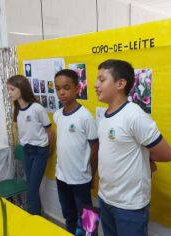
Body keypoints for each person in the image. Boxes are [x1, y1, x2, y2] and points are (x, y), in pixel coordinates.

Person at [95, 59, 171, 236]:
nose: (95, 85)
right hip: (106, 197)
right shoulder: (104, 116)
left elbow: (167, 154)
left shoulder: (134, 115)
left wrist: (146, 158)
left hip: (129, 204)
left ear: (120, 83)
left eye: (102, 79)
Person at [53, 69, 99, 234]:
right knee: (69, 217)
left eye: (66, 87)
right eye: (58, 88)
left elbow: (95, 150)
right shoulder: (58, 115)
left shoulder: (85, 117)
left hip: (80, 179)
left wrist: (92, 175)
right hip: (61, 177)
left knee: (88, 222)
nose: (62, 92)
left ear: (78, 88)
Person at [7, 74, 53, 215]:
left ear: (21, 88)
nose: (9, 93)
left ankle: (32, 216)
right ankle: (36, 215)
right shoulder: (18, 109)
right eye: (8, 89)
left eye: (12, 89)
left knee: (32, 187)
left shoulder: (37, 108)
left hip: (40, 151)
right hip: (27, 150)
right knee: (30, 186)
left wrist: (47, 150)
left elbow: (50, 131)